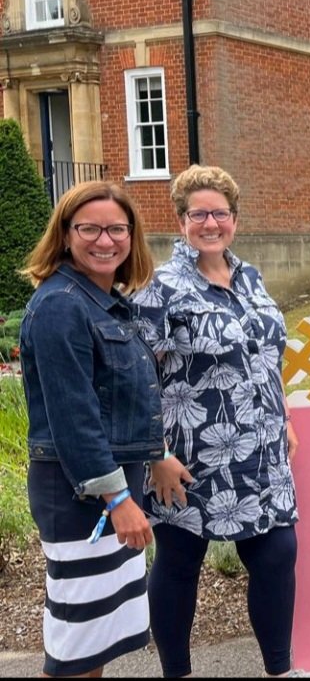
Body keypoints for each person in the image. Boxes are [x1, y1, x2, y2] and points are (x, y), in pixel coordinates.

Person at [131, 164, 300, 678]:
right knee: (181, 566)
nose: (211, 223)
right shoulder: (162, 286)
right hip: (190, 457)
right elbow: (137, 375)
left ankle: (279, 670)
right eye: (199, 213)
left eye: (220, 213)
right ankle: (177, 673)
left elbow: (266, 355)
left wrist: (285, 415)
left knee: (278, 555)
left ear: (234, 219)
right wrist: (155, 454)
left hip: (263, 453)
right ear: (181, 220)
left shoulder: (251, 276)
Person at [19, 181, 163, 677]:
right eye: (90, 228)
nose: (106, 240)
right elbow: (74, 416)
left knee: (94, 640)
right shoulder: (61, 305)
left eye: (117, 229)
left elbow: (124, 400)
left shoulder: (104, 301)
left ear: (132, 236)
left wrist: (154, 458)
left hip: (107, 490)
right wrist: (118, 500)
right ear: (64, 234)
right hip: (82, 498)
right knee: (76, 647)